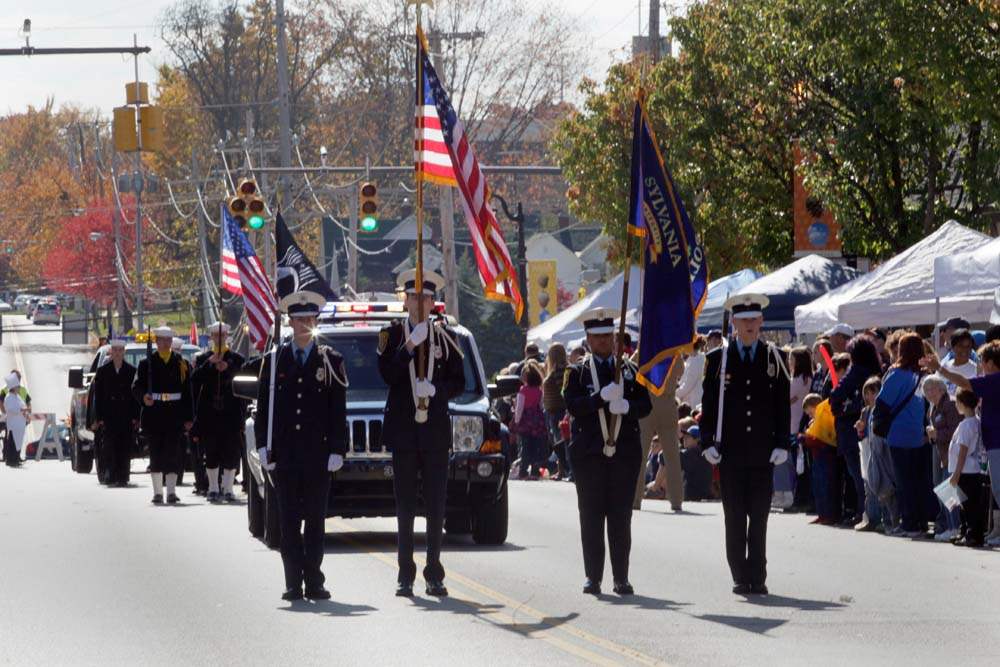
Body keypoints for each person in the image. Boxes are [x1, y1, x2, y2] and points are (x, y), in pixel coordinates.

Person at [255, 290, 349, 601]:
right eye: (299, 320)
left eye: (309, 319)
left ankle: (315, 581)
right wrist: (263, 445)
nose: (305, 324)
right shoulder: (274, 360)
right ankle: (293, 582)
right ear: (290, 323)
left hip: (317, 455)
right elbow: (264, 407)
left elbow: (338, 409)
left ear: (316, 322)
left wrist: (338, 448)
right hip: (285, 455)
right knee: (289, 521)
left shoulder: (331, 360)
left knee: (315, 522)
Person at [378, 269, 465, 598]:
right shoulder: (391, 335)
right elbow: (387, 374)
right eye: (413, 297)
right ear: (405, 300)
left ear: (432, 303)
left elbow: (459, 381)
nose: (418, 303)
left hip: (435, 433)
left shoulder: (445, 337)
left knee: (436, 506)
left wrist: (437, 390)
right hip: (403, 432)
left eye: (425, 298)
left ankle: (434, 573)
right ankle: (405, 574)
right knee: (405, 507)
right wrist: (408, 347)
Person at [700, 294, 790, 596]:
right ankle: (740, 574)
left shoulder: (774, 357)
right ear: (734, 324)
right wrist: (707, 441)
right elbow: (709, 405)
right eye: (743, 320)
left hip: (763, 452)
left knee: (760, 516)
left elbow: (782, 406)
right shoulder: (717, 360)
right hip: (731, 453)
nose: (750, 324)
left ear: (761, 321)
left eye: (754, 319)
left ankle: (758, 575)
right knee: (735, 516)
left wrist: (782, 443)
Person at [563, 307, 652, 596]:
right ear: (588, 339)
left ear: (614, 337)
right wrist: (598, 398)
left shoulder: (630, 371)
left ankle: (621, 578)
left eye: (607, 335)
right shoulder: (577, 372)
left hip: (624, 454)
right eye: (597, 336)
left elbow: (645, 406)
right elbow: (572, 405)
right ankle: (593, 577)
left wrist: (627, 406)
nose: (603, 341)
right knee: (591, 516)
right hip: (589, 455)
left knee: (620, 516)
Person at [924, 340, 1000, 547]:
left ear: (991, 363)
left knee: (994, 492)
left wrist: (940, 369)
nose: (980, 366)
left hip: (996, 444)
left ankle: (976, 533)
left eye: (982, 361)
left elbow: (965, 383)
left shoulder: (994, 379)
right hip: (992, 445)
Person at [874, 333, 934, 539]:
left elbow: (883, 402)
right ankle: (921, 522)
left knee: (904, 481)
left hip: (899, 433)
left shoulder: (896, 374)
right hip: (919, 433)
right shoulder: (924, 375)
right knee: (919, 480)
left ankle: (909, 523)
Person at [133, 325, 194, 505]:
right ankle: (158, 492)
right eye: (162, 340)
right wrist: (144, 397)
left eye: (168, 340)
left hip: (174, 413)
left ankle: (172, 492)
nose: (166, 343)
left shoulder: (181, 363)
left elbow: (187, 391)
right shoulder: (146, 363)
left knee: (173, 454)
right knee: (156, 454)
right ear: (157, 342)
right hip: (154, 412)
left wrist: (189, 417)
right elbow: (136, 386)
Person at [830, 335, 882, 528]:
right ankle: (875, 513)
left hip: (852, 431)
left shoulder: (856, 372)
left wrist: (847, 407)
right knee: (874, 474)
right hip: (873, 428)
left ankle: (866, 514)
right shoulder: (878, 371)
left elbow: (835, 396)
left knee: (861, 476)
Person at [191, 322, 246, 503]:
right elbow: (194, 380)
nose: (219, 338)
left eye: (222, 335)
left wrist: (228, 368)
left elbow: (242, 378)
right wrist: (210, 364)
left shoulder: (236, 358)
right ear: (212, 337)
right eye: (216, 335)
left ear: (227, 336)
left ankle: (228, 489)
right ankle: (213, 487)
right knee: (211, 453)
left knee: (231, 453)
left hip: (231, 414)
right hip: (210, 415)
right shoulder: (204, 358)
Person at [636, 354, 684, 512]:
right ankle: (676, 499)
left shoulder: (646, 347)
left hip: (647, 403)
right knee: (672, 455)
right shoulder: (673, 350)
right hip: (667, 402)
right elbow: (681, 370)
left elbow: (633, 366)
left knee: (641, 454)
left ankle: (635, 498)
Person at [92, 339, 139, 487]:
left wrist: (136, 416)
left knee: (125, 446)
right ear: (111, 352)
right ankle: (111, 474)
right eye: (115, 350)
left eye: (120, 350)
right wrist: (99, 417)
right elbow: (99, 396)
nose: (118, 353)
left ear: (124, 352)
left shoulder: (131, 371)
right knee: (109, 446)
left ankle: (123, 476)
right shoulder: (103, 371)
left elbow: (135, 396)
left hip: (126, 415)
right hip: (109, 416)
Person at [922, 375, 962, 541]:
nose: (928, 393)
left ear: (941, 389)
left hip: (954, 455)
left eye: (931, 389)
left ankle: (955, 527)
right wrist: (932, 436)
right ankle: (951, 527)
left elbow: (955, 431)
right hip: (942, 455)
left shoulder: (950, 404)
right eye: (926, 390)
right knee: (944, 491)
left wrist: (937, 434)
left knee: (950, 492)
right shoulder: (934, 408)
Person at [947, 388, 987, 547]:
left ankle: (972, 534)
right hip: (973, 469)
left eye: (957, 402)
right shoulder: (976, 421)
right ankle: (966, 532)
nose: (956, 405)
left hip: (965, 470)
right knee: (968, 504)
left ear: (963, 404)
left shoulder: (966, 425)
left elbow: (963, 451)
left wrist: (956, 473)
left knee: (968, 505)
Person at [786, 347, 813, 512]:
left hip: (794, 426)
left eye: (792, 359)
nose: (789, 362)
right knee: (801, 465)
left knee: (799, 465)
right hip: (798, 424)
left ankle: (800, 498)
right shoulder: (808, 379)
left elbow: (785, 399)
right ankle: (802, 498)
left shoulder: (797, 380)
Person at [542, 343, 571, 481]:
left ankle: (566, 470)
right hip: (554, 411)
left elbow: (563, 391)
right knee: (558, 442)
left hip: (558, 411)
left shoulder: (560, 369)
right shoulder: (557, 368)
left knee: (562, 442)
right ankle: (561, 470)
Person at [514, 361, 547, 479]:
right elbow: (541, 406)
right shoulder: (539, 391)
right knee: (535, 445)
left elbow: (519, 408)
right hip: (536, 421)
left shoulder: (523, 390)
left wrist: (516, 421)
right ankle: (534, 469)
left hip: (525, 421)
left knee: (525, 446)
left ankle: (523, 470)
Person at [940, 329, 978, 396]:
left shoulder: (976, 370)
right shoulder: (944, 366)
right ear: (953, 347)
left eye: (968, 346)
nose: (965, 349)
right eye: (960, 346)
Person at [679, 424, 713, 501]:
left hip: (691, 497)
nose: (684, 438)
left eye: (688, 437)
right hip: (704, 495)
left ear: (697, 439)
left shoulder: (692, 452)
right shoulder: (705, 451)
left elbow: (670, 462)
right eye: (684, 436)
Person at [2, 373, 29, 467]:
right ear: (13, 387)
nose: (18, 388)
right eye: (17, 387)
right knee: (13, 443)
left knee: (18, 442)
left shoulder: (17, 396)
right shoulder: (9, 397)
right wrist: (21, 410)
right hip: (13, 423)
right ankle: (11, 460)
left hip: (19, 423)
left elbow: (23, 404)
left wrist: (25, 410)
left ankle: (16, 459)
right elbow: (10, 409)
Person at [676, 335, 707, 408]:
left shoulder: (697, 361)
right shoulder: (692, 359)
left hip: (693, 403)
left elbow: (688, 385)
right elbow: (684, 381)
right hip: (690, 401)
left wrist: (674, 394)